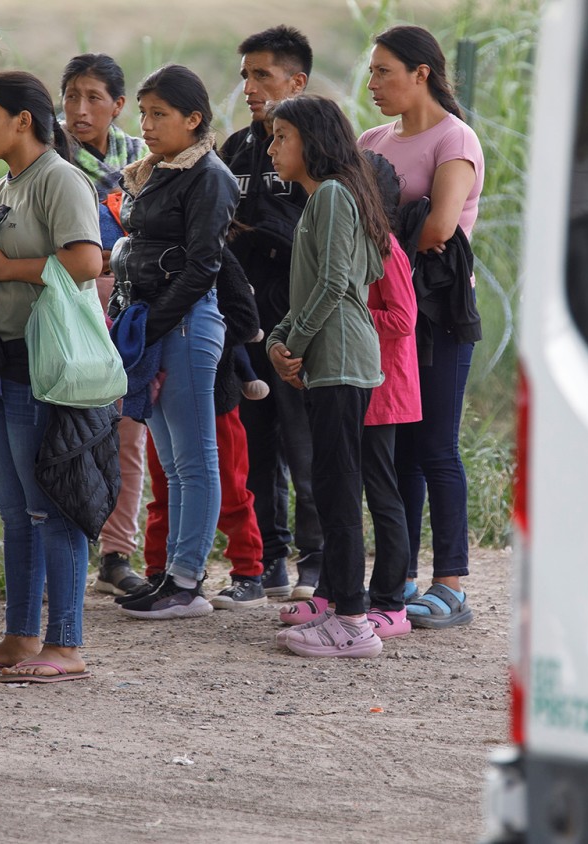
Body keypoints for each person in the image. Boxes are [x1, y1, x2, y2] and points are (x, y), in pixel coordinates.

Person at [0, 71, 103, 680]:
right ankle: (20, 637)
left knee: (52, 506)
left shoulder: (60, 179)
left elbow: (87, 261)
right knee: (16, 511)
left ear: (22, 120)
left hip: (41, 369)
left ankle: (66, 644)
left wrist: (6, 268)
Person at [359, 25, 485, 629]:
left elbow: (439, 229)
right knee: (399, 448)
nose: (373, 83)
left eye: (385, 71)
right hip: (382, 318)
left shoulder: (454, 139)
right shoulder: (371, 140)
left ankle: (452, 584)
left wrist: (378, 251)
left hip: (434, 315)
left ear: (421, 73)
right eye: (372, 71)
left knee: (435, 447)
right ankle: (400, 575)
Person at [265, 94, 389, 658]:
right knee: (333, 481)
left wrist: (295, 342)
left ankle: (354, 622)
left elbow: (337, 284)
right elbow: (315, 289)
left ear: (312, 142)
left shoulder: (335, 195)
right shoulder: (327, 199)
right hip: (329, 358)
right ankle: (339, 605)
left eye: (281, 136)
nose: (272, 148)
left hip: (340, 358)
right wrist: (278, 341)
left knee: (338, 488)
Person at [114, 64, 239, 620]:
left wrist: (152, 326)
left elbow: (203, 266)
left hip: (186, 324)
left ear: (194, 119)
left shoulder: (208, 174)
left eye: (159, 114)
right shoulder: (154, 171)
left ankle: (187, 583)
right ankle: (173, 576)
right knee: (172, 458)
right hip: (160, 320)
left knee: (195, 460)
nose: (146, 124)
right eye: (143, 113)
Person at [219, 26, 324, 601]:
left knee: (305, 444)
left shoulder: (320, 150)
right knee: (253, 446)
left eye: (262, 75)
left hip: (300, 321)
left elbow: (322, 237)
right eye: (245, 76)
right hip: (244, 322)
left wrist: (258, 234)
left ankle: (317, 561)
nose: (250, 87)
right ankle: (265, 563)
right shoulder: (234, 149)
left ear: (297, 81)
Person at [58, 52, 151, 597]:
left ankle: (116, 553)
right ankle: (62, 544)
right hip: (66, 312)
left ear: (118, 106)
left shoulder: (145, 159)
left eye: (94, 98)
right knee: (61, 430)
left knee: (126, 433)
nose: (80, 108)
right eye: (72, 96)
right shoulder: (50, 160)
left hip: (128, 314)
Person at [132, 252, 268, 610]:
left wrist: (199, 344)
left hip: (212, 394)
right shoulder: (152, 254)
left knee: (229, 488)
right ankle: (161, 571)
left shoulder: (216, 255)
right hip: (162, 387)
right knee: (164, 483)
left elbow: (244, 318)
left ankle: (248, 574)